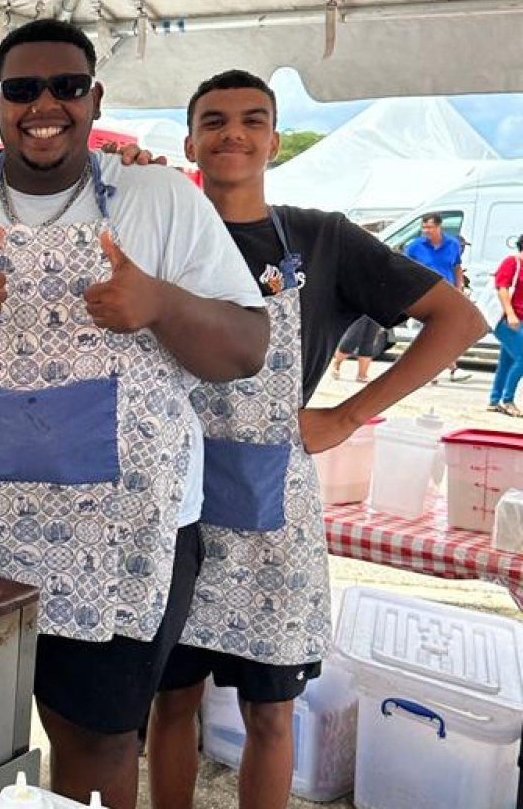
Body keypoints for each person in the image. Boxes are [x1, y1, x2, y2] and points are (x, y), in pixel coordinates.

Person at [0, 18, 270, 809]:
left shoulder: (160, 198)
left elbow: (245, 349)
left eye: (67, 87)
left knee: (99, 742)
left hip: (121, 535)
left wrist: (160, 302)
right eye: (24, 89)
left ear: (94, 97)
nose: (47, 105)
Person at [145, 70, 486, 809]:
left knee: (271, 713)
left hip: (273, 512)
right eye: (214, 120)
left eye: (251, 119)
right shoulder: (163, 231)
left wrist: (347, 415)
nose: (232, 132)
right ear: (190, 142)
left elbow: (459, 319)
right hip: (171, 507)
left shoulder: (321, 238)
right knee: (169, 704)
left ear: (272, 139)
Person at [404, 213, 472, 381]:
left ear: (439, 227)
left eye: (430, 227)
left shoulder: (453, 244)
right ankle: (450, 369)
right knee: (432, 332)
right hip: (424, 294)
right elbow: (403, 269)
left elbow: (457, 267)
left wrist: (459, 288)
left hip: (448, 294)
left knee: (442, 332)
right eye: (424, 227)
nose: (426, 230)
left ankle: (430, 370)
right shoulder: (414, 246)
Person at [487, 235, 523, 417]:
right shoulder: (512, 262)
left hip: (520, 320)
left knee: (507, 361)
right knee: (522, 358)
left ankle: (494, 401)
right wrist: (510, 314)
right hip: (507, 319)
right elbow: (502, 288)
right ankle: (507, 400)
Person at [329, 315, 384, 382]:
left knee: (369, 340)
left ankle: (362, 375)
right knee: (352, 338)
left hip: (377, 311)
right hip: (361, 309)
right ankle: (336, 364)